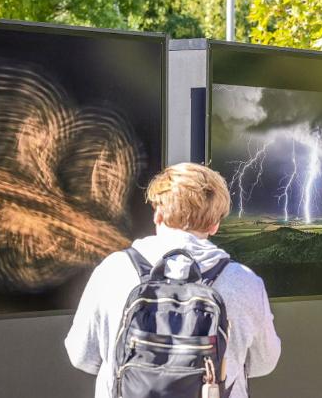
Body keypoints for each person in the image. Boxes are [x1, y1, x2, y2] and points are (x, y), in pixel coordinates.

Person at [65, 162, 281, 398]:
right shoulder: (245, 282)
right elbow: (264, 362)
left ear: (157, 213)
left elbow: (81, 356)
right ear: (214, 224)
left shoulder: (113, 270)